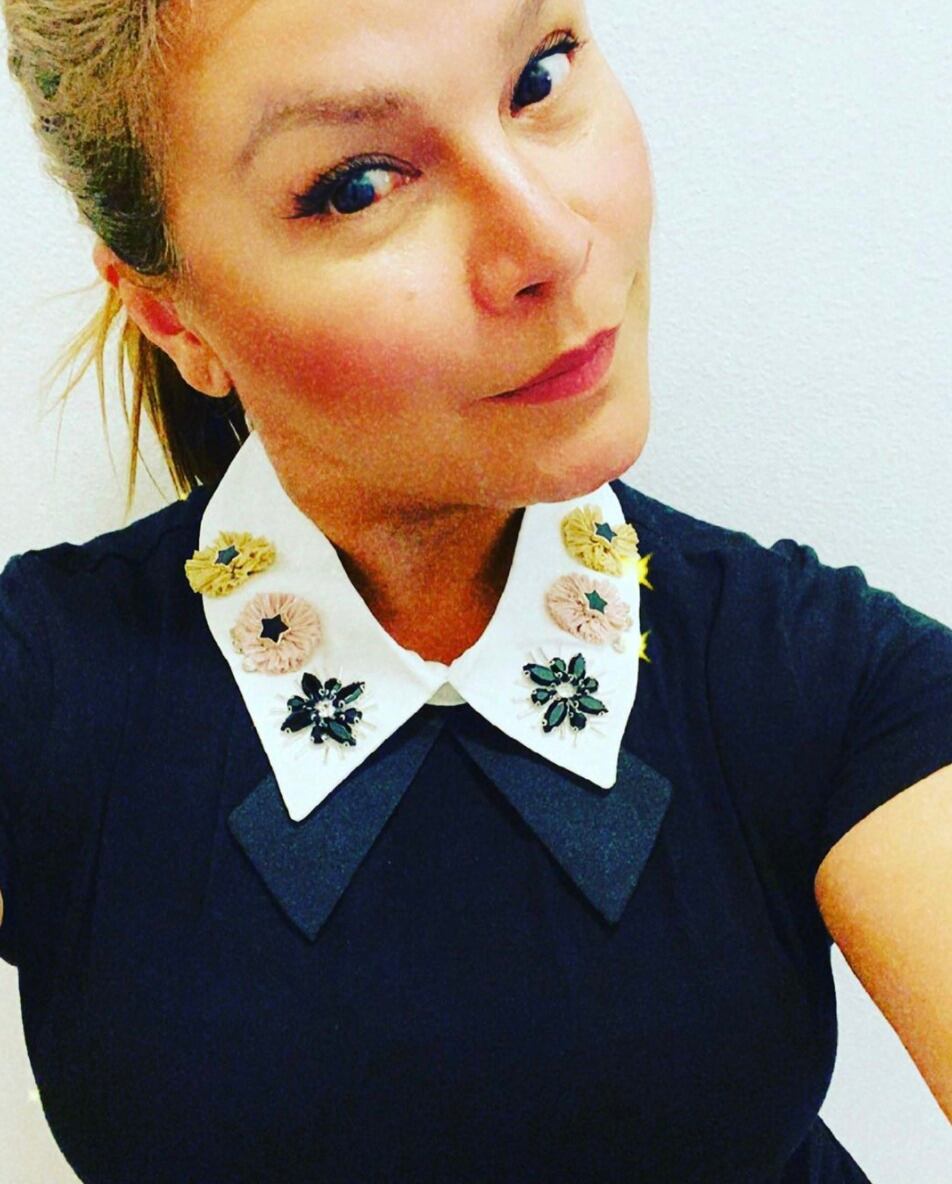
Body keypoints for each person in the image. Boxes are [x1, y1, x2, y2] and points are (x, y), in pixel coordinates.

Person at [1, 0, 950, 1180]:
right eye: (356, 184)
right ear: (170, 314)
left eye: (539, 77)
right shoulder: (42, 693)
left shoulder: (823, 673)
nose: (549, 240)